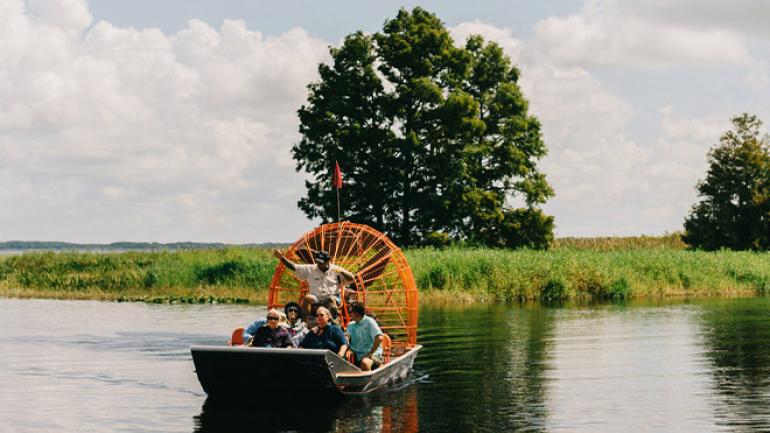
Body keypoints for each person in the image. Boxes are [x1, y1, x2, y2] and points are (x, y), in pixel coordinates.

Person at [272, 248, 355, 318]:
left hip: (333, 297)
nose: (319, 264)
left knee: (331, 299)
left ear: (328, 261)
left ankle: (331, 321)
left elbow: (351, 278)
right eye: (318, 261)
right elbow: (294, 267)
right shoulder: (311, 268)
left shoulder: (336, 269)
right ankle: (305, 323)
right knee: (307, 298)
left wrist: (342, 272)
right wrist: (281, 258)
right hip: (316, 297)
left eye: (322, 262)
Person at [345, 303, 384, 371]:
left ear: (356, 313)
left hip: (371, 354)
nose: (349, 314)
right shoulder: (351, 325)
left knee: (365, 363)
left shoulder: (369, 322)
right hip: (356, 355)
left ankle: (369, 380)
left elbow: (379, 337)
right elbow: (346, 338)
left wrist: (370, 353)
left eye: (350, 312)